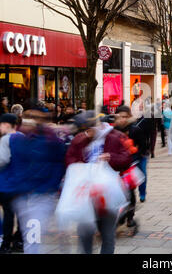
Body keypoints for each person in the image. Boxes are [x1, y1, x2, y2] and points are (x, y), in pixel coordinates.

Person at [0, 107, 66, 254]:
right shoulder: (19, 141)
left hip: (40, 195)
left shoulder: (51, 142)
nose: (28, 122)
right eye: (26, 118)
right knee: (28, 235)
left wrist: (49, 188)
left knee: (32, 238)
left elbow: (57, 166)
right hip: (23, 195)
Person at [65, 110, 132, 254]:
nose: (87, 133)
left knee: (107, 235)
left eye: (90, 129)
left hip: (107, 194)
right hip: (85, 195)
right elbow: (69, 160)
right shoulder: (79, 140)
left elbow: (127, 159)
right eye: (85, 130)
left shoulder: (115, 137)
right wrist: (80, 167)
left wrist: (111, 157)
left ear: (99, 126)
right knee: (84, 236)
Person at [115, 105, 148, 229]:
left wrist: (135, 158)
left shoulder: (135, 129)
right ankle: (121, 216)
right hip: (118, 166)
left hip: (131, 165)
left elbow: (143, 146)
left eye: (125, 117)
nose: (122, 119)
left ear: (128, 117)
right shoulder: (115, 130)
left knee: (129, 192)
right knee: (119, 192)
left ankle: (130, 217)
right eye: (120, 117)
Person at [0, 114, 23, 253]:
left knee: (8, 214)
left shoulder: (5, 139)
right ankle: (19, 241)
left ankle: (6, 243)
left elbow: (2, 160)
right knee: (20, 214)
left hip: (7, 183)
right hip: (21, 184)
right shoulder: (23, 137)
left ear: (7, 125)